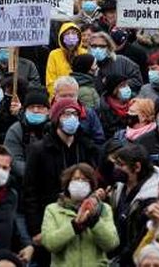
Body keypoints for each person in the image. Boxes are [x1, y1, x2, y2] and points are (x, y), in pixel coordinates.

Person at [22, 98, 100, 255]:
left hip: (81, 218)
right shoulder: (39, 150)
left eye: (75, 114)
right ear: (57, 118)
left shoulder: (86, 146)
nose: (72, 118)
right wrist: (36, 228)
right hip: (50, 220)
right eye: (66, 114)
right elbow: (30, 192)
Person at [41, 163, 119, 266]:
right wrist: (74, 226)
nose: (80, 183)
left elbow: (111, 244)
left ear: (91, 185)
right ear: (68, 184)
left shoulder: (104, 208)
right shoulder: (52, 209)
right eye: (76, 179)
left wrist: (94, 222)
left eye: (85, 180)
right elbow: (50, 244)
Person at [46, 22, 85, 96]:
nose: (70, 36)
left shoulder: (84, 53)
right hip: (59, 96)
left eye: (73, 33)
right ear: (62, 37)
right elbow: (50, 81)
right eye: (67, 34)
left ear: (79, 36)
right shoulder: (54, 54)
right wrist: (54, 98)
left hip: (80, 96)